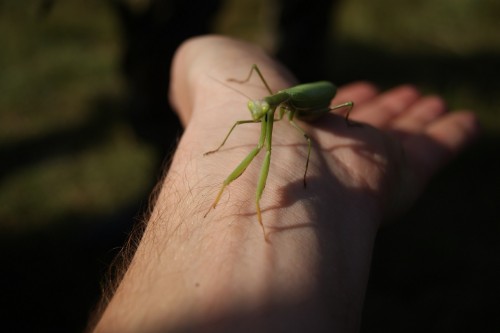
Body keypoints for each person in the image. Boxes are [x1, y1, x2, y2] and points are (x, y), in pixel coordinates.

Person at [92, 35, 478, 332]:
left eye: (261, 108)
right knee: (265, 148)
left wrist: (308, 169)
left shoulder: (287, 109)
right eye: (259, 108)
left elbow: (310, 128)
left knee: (314, 133)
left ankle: (264, 203)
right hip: (293, 102)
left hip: (317, 103)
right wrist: (221, 143)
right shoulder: (264, 105)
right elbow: (253, 122)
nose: (257, 113)